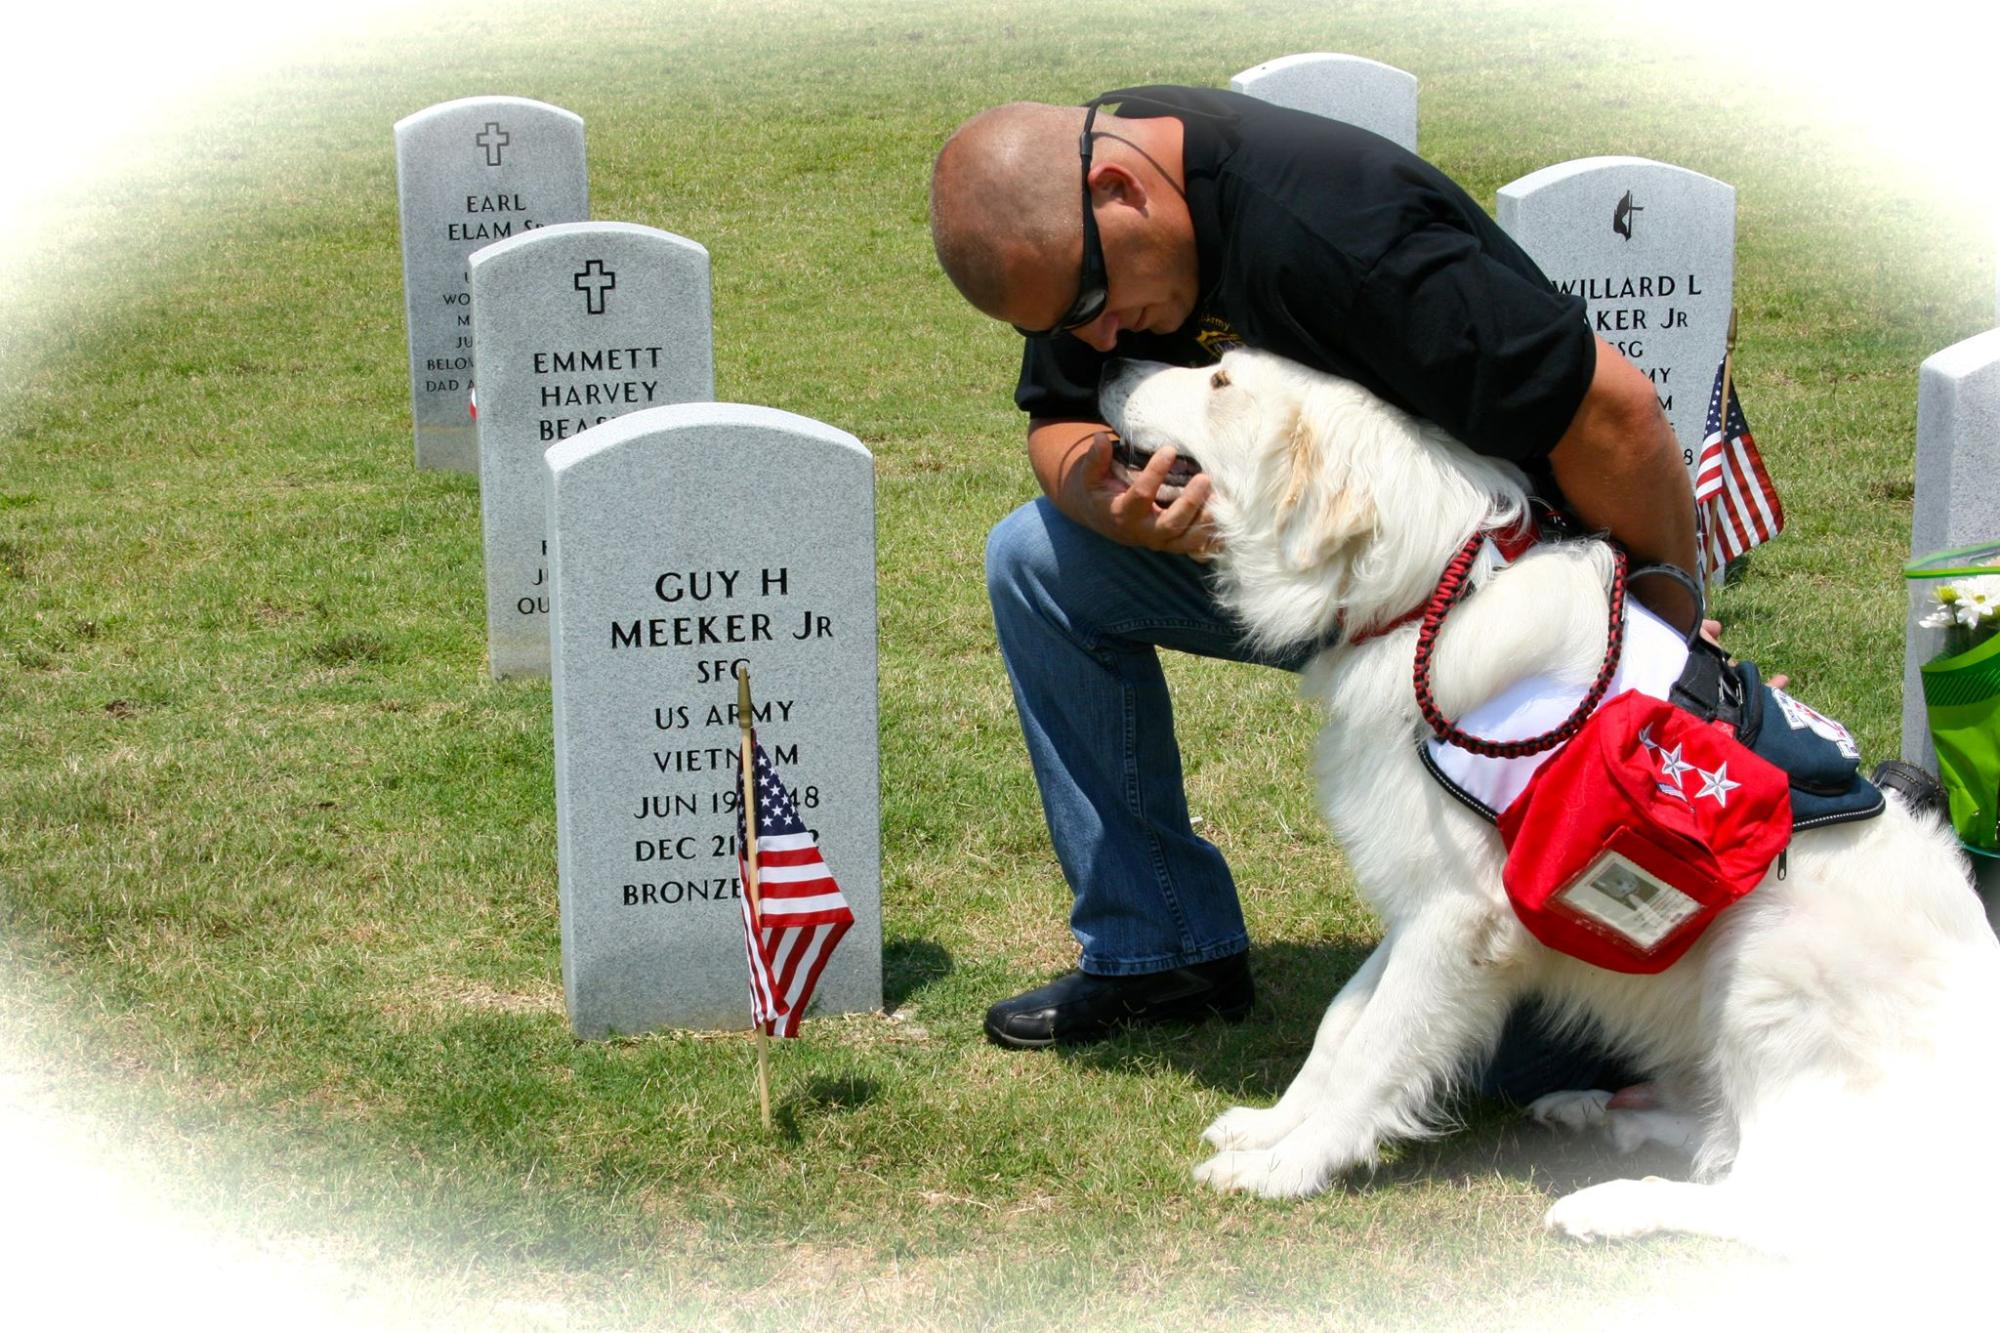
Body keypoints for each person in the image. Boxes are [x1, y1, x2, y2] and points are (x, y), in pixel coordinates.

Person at [928, 86, 1694, 1086]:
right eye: (1075, 324)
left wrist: (1666, 627)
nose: (1103, 340)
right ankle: (1158, 951)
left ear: (1116, 189)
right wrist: (1103, 497)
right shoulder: (1077, 230)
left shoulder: (1340, 234)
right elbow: (1058, 421)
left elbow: (1611, 412)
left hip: (1497, 596)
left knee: (1525, 1051)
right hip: (1312, 580)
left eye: (1089, 305)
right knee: (1036, 562)